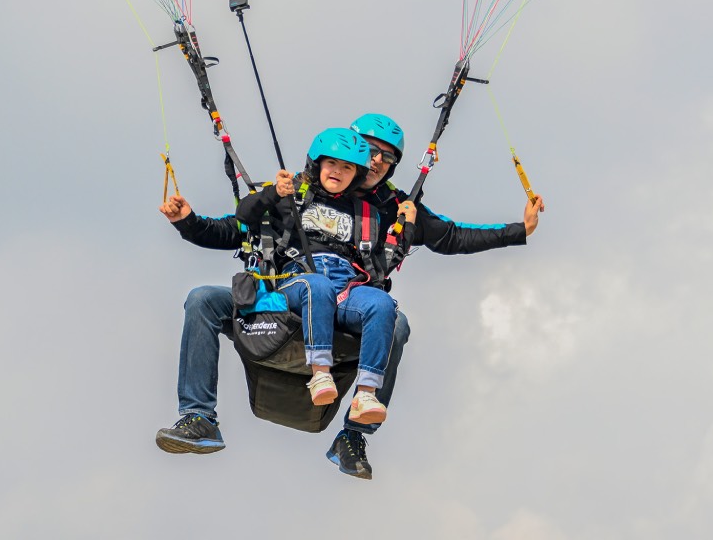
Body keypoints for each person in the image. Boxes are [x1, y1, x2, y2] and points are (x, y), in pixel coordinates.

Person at [155, 113, 545, 479]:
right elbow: (234, 229)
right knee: (203, 298)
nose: (376, 161)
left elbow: (454, 236)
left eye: (386, 157)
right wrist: (187, 222)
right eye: (368, 150)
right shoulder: (294, 193)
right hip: (283, 303)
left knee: (397, 323)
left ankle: (354, 435)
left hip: (345, 310)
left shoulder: (393, 209)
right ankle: (198, 417)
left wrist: (519, 230)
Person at [234, 128, 417, 422]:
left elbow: (382, 264)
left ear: (356, 175)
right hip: (297, 282)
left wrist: (406, 227)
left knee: (383, 305)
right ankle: (320, 373)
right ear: (317, 164)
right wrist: (273, 193)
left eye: (347, 168)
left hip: (345, 289)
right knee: (316, 285)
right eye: (331, 164)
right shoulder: (292, 195)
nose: (337, 172)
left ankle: (366, 394)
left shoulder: (367, 213)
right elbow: (243, 215)